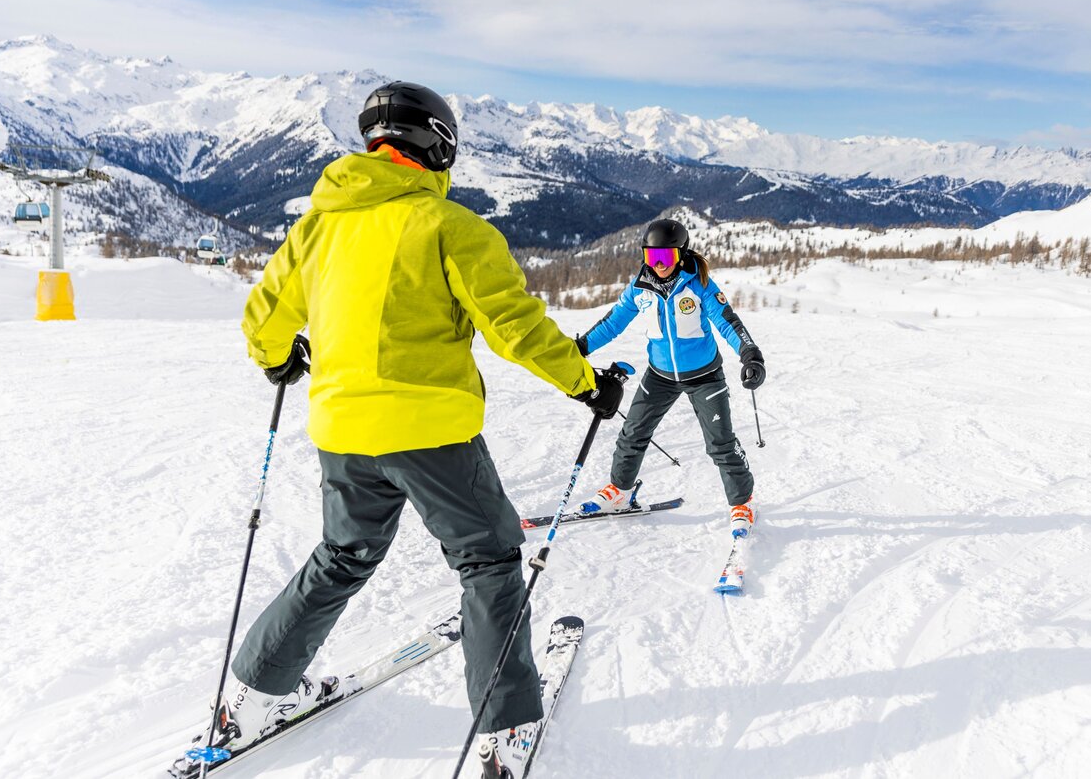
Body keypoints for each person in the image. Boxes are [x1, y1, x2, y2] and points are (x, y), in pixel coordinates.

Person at [213, 81, 624, 776]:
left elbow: (264, 319)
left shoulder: (315, 227)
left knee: (341, 556)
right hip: (429, 431)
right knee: (489, 561)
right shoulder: (452, 228)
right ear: (440, 144)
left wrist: (280, 360)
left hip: (342, 431)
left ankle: (252, 699)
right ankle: (504, 729)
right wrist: (585, 383)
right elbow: (513, 328)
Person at [575, 218, 765, 536]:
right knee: (633, 433)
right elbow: (612, 323)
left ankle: (742, 502)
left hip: (705, 375)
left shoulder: (699, 283)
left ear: (680, 255)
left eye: (665, 258)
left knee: (720, 444)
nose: (659, 265)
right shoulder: (640, 288)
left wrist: (749, 354)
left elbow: (726, 319)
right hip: (659, 375)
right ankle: (620, 492)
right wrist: (580, 347)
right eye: (652, 257)